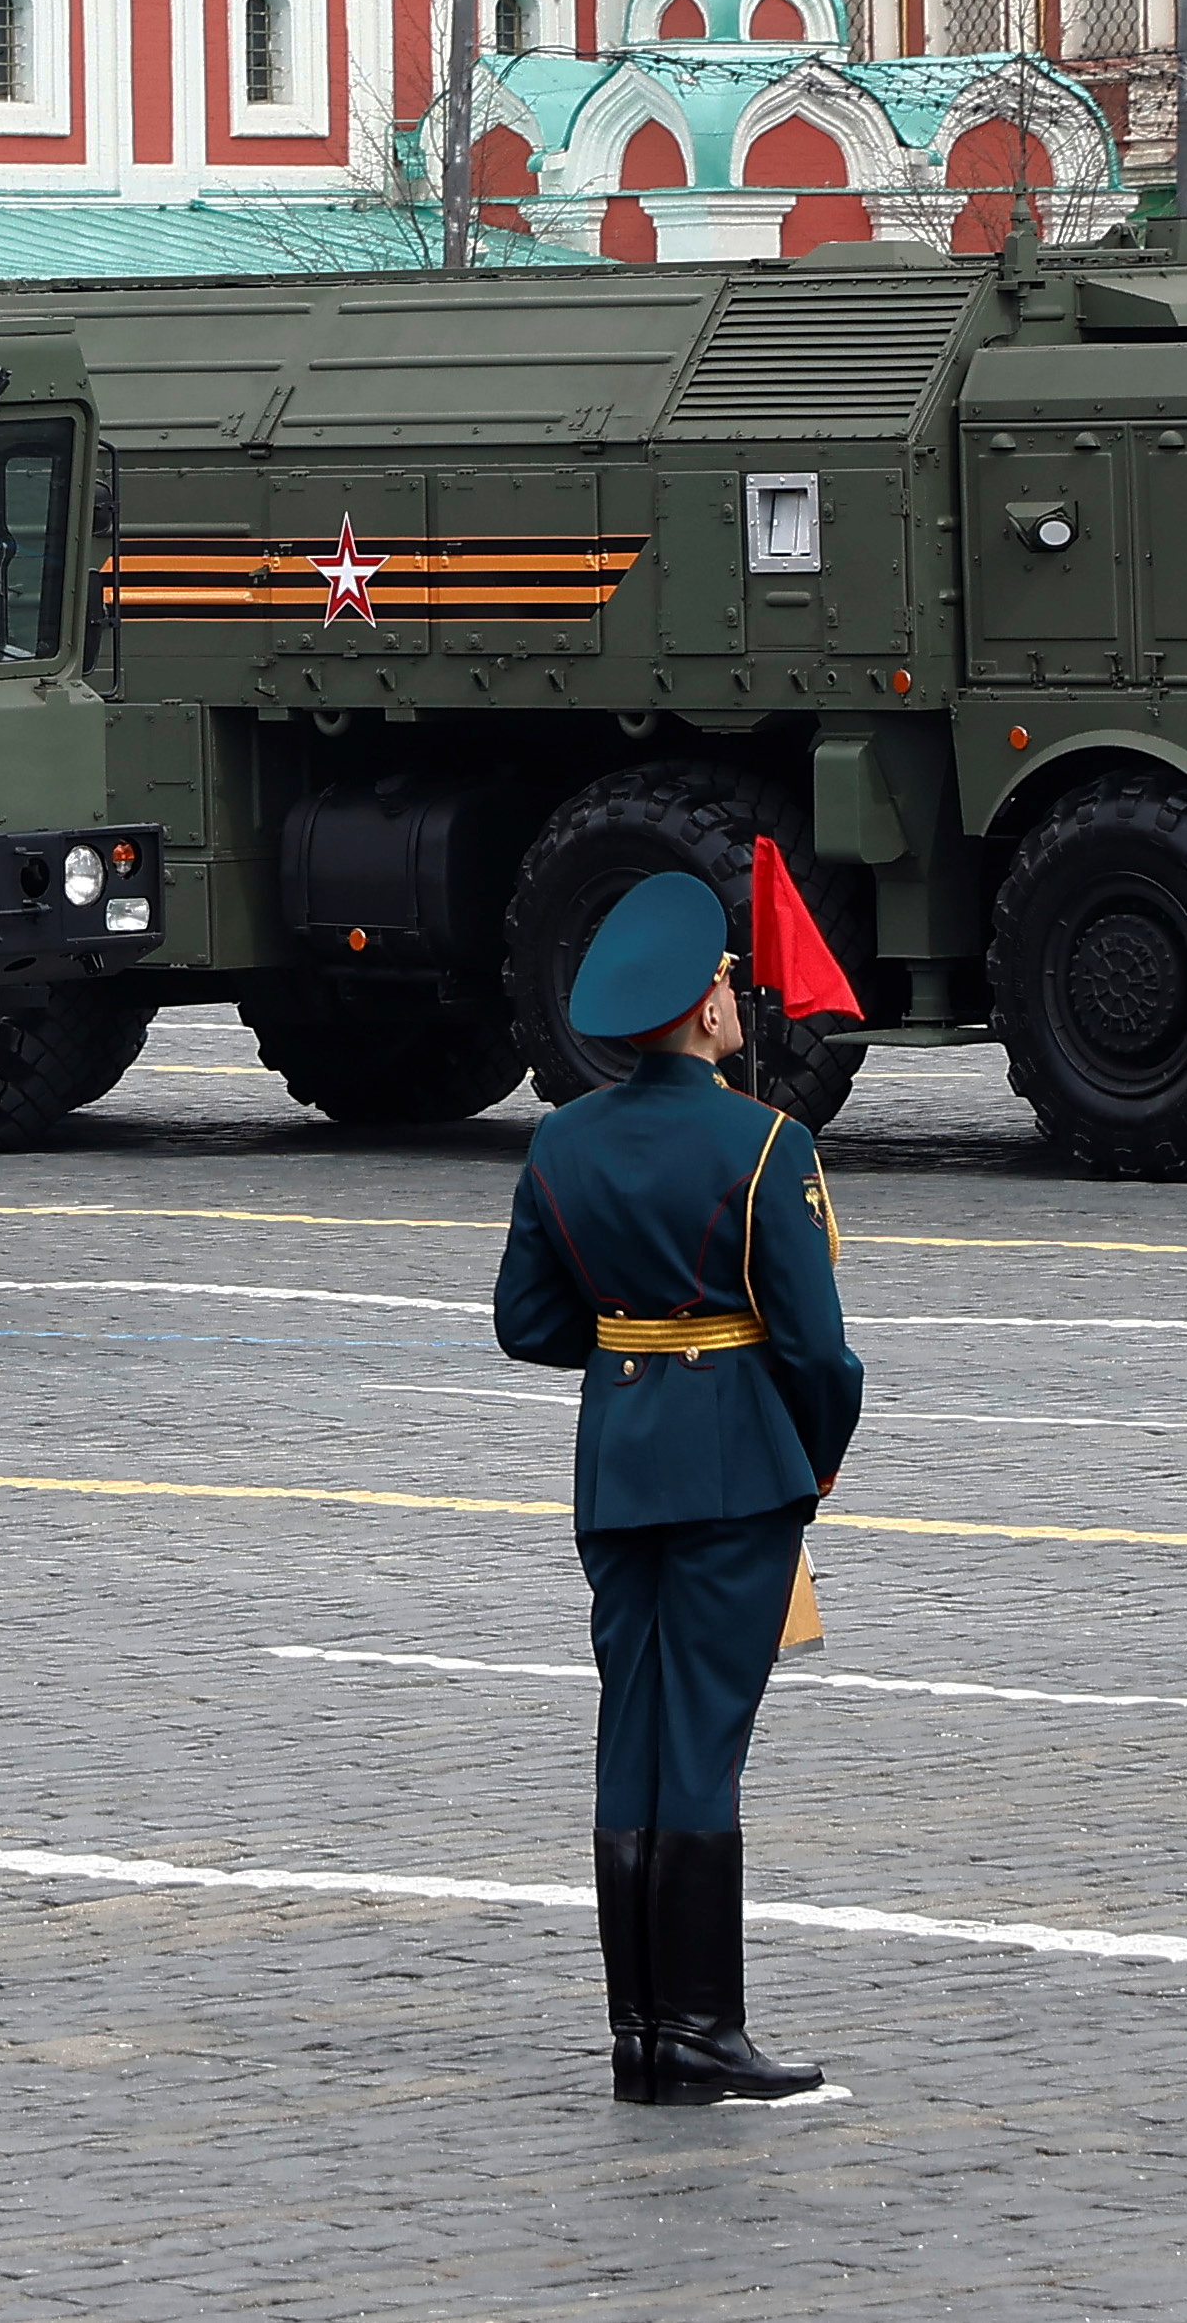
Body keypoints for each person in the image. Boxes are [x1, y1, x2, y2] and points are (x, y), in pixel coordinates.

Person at [491, 869, 863, 2105]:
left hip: (616, 1463)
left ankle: (640, 2034)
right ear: (702, 1011)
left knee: (633, 1734)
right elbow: (817, 1352)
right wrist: (802, 1464)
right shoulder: (765, 1142)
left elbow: (526, 1321)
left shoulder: (560, 1137)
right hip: (733, 1468)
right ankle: (700, 2029)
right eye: (721, 981)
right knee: (702, 1741)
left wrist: (634, 1337)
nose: (733, 995)